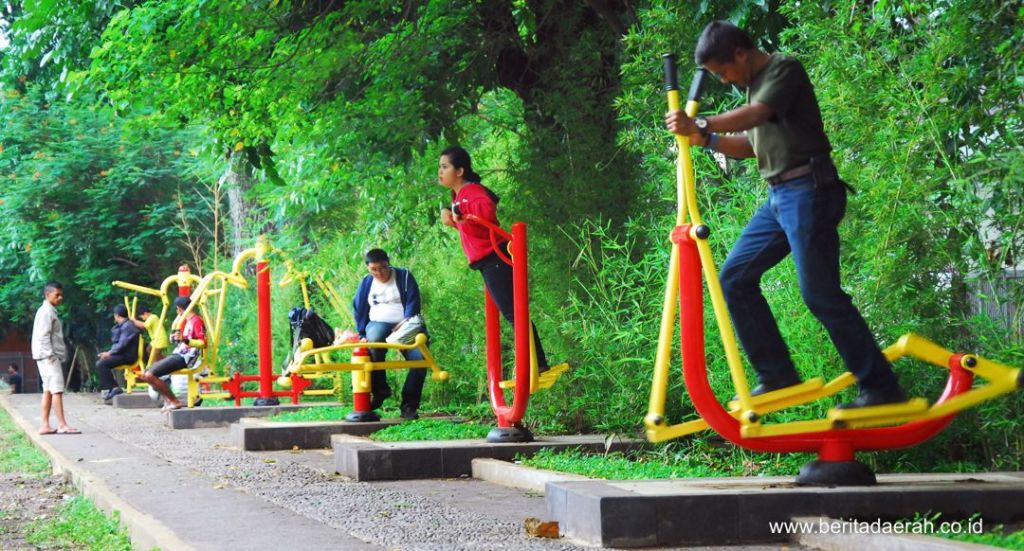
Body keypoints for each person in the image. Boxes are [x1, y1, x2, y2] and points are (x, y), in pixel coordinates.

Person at [664, 21, 906, 409]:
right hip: (780, 196)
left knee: (820, 294)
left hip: (810, 188)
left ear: (740, 53)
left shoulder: (783, 69)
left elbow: (757, 114)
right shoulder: (750, 87)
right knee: (735, 278)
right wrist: (707, 139)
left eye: (723, 72)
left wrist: (704, 122)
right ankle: (777, 374)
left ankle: (881, 389)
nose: (725, 81)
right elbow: (749, 145)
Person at [437, 146, 554, 376]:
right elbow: (470, 224)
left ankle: (536, 363)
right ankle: (534, 363)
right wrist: (451, 215)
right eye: (439, 167)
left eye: (444, 167)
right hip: (487, 259)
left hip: (495, 255)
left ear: (459, 170)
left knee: (514, 312)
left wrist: (459, 210)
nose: (440, 172)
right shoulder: (459, 195)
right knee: (511, 312)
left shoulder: (470, 191)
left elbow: (487, 209)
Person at [352, 248, 427, 420]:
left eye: (383, 268)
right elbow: (359, 308)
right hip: (378, 323)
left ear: (389, 263)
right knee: (374, 341)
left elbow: (413, 303)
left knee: (420, 359)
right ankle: (380, 389)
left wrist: (404, 324)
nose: (379, 273)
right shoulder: (366, 282)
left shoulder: (404, 276)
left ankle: (409, 406)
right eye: (374, 270)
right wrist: (362, 332)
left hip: (406, 324)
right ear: (368, 269)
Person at [137, 296, 206, 410]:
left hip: (187, 357)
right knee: (146, 373)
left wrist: (185, 340)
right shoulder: (187, 321)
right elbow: (183, 339)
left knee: (150, 375)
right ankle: (168, 400)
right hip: (179, 353)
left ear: (179, 309)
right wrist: (175, 339)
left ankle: (174, 401)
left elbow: (202, 343)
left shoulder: (196, 321)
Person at [31, 281, 79, 434]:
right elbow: (43, 336)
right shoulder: (46, 312)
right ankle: (62, 425)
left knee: (48, 390)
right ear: (47, 294)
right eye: (56, 294)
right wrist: (50, 355)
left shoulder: (48, 310)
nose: (60, 297)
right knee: (57, 390)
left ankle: (45, 425)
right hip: (48, 357)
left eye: (61, 294)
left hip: (44, 356)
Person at [96, 304, 141, 402]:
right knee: (101, 362)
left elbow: (122, 344)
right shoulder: (125, 325)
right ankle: (113, 387)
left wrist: (109, 353)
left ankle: (114, 388)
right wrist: (109, 352)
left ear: (116, 315)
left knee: (101, 364)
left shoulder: (127, 326)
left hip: (128, 356)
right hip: (123, 354)